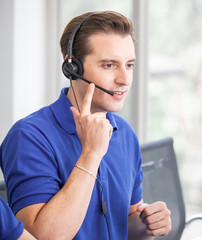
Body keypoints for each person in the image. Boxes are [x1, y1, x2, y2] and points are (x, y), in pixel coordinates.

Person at [0, 11, 171, 239]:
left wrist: (147, 224)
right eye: (109, 65)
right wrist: (91, 154)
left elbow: (123, 226)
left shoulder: (125, 134)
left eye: (129, 65)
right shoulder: (29, 137)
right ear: (72, 68)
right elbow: (41, 236)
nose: (124, 79)